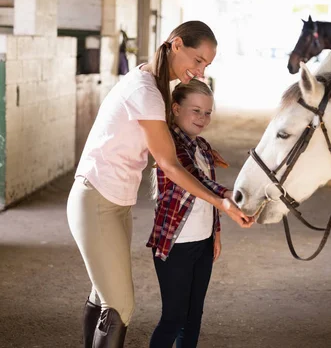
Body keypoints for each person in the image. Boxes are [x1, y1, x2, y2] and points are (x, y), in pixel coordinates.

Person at [66, 21, 253, 348]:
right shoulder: (147, 91)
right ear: (176, 45)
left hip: (115, 203)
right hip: (97, 199)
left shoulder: (150, 83)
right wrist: (221, 201)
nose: (200, 70)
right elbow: (169, 163)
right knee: (120, 305)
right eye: (197, 60)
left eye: (206, 65)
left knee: (102, 294)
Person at [148, 80, 226, 347]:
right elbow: (200, 183)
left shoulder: (203, 147)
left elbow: (208, 201)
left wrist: (215, 233)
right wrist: (229, 195)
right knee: (173, 317)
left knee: (193, 317)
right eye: (196, 111)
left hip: (202, 243)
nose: (202, 118)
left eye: (207, 112)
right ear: (176, 108)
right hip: (175, 245)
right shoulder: (169, 146)